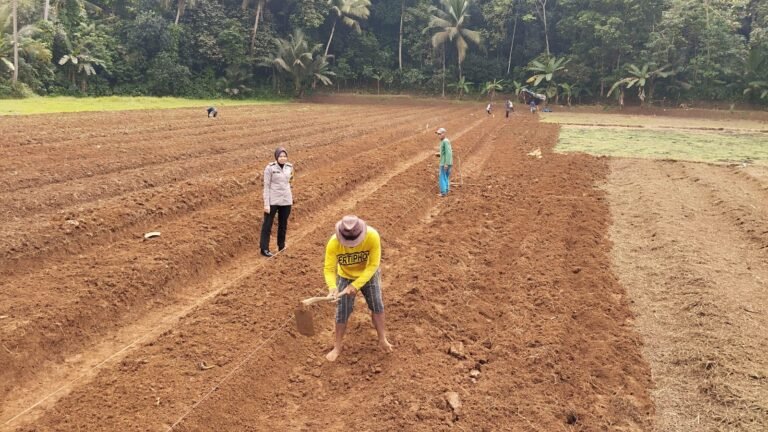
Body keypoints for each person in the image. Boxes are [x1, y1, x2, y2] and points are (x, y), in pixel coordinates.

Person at [324, 215, 393, 362]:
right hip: (345, 275)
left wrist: (355, 285)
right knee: (342, 311)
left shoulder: (373, 236)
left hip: (369, 274)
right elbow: (329, 269)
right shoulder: (333, 243)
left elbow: (373, 265)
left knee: (377, 304)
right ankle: (337, 346)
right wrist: (332, 287)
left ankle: (382, 338)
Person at [260, 147, 293, 257]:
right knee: (267, 225)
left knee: (283, 225)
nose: (283, 158)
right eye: (280, 156)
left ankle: (281, 246)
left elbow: (291, 181)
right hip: (273, 200)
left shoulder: (290, 167)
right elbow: (266, 186)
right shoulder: (270, 168)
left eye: (284, 156)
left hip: (286, 200)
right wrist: (266, 204)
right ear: (276, 157)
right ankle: (264, 248)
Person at [435, 127, 453, 197]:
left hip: (444, 163)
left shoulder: (445, 141)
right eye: (438, 134)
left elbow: (449, 153)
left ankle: (443, 192)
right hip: (446, 162)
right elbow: (445, 152)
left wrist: (446, 164)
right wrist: (439, 154)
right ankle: (446, 190)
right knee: (446, 176)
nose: (438, 135)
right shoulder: (444, 141)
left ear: (444, 134)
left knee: (442, 177)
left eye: (440, 134)